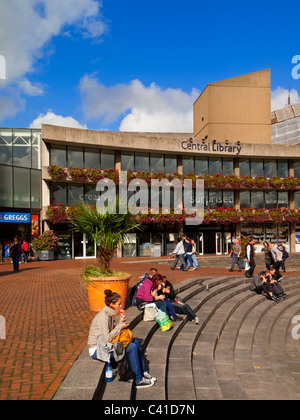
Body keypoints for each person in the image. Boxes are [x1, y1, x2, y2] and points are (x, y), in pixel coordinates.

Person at [88, 289, 156, 389]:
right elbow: (107, 338)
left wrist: (121, 318)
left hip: (106, 345)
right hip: (98, 349)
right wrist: (121, 326)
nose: (121, 306)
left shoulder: (109, 314)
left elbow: (115, 329)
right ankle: (138, 380)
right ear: (112, 304)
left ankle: (143, 371)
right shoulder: (104, 317)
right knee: (132, 347)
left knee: (135, 342)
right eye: (119, 304)